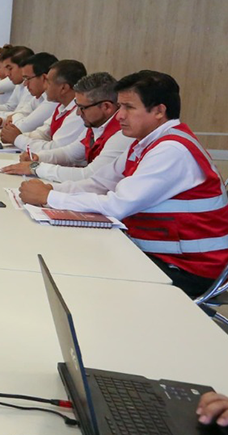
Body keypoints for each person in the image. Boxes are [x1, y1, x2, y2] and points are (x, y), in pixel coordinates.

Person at [19, 71, 228, 298]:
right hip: (159, 254)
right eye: (120, 107)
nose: (119, 116)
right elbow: (99, 183)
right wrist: (51, 190)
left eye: (129, 107)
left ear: (159, 111)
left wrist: (49, 198)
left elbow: (116, 206)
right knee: (74, 255)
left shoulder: (171, 150)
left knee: (80, 272)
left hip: (188, 268)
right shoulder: (145, 143)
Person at [1, 72, 133, 183]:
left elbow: (90, 175)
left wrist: (36, 168)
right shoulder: (96, 124)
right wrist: (39, 157)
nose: (78, 113)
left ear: (106, 107)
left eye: (82, 108)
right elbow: (70, 153)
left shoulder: (122, 133)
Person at [11, 59, 88, 154]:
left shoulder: (78, 114)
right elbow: (43, 133)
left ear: (63, 88)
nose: (45, 86)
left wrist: (18, 139)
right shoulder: (61, 106)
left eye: (48, 82)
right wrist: (16, 136)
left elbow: (55, 149)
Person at [0, 52, 58, 144]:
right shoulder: (39, 97)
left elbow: (21, 128)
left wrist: (14, 118)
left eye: (28, 79)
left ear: (44, 78)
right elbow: (20, 113)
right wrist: (3, 120)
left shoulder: (53, 101)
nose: (25, 84)